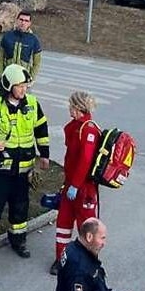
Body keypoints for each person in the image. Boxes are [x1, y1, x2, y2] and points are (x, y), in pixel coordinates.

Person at [0, 64, 49, 257]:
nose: (24, 89)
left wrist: (45, 155)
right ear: (8, 86)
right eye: (20, 85)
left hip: (23, 170)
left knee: (20, 205)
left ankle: (18, 240)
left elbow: (41, 129)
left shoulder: (32, 103)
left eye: (25, 85)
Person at [51, 91, 102, 275]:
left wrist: (76, 184)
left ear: (78, 107)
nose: (69, 108)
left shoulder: (88, 129)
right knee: (63, 224)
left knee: (87, 227)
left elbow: (86, 160)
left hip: (84, 188)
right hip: (71, 186)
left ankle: (89, 262)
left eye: (71, 105)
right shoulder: (77, 126)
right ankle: (61, 259)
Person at [55, 218, 132, 291]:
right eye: (102, 238)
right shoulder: (79, 268)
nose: (104, 243)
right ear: (89, 237)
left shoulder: (72, 247)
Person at [0, 10, 42, 81]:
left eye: (26, 21)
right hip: (8, 77)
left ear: (30, 23)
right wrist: (1, 74)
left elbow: (37, 63)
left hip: (23, 80)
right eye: (21, 20)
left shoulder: (34, 40)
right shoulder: (7, 36)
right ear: (17, 20)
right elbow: (0, 58)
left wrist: (31, 78)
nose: (23, 23)